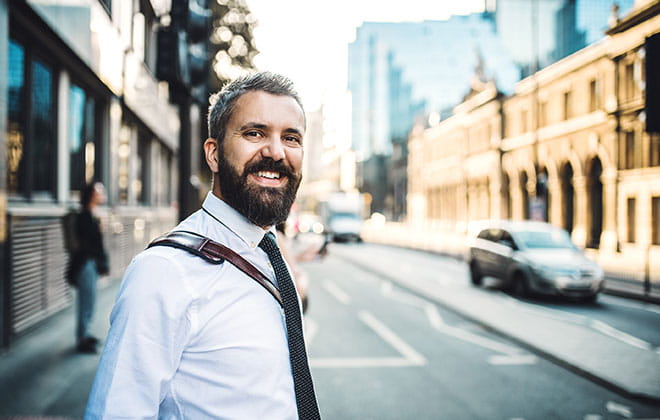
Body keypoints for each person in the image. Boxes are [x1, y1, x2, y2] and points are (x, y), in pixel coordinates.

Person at [85, 72, 321, 419]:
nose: (275, 151)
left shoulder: (269, 251)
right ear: (213, 154)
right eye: (254, 133)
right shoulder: (165, 272)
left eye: (291, 138)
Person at [69, 181, 108, 353]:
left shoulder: (91, 215)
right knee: (86, 302)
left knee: (89, 301)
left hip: (89, 263)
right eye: (100, 191)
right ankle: (82, 338)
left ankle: (85, 334)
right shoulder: (85, 216)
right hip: (85, 264)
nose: (102, 194)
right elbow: (88, 244)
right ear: (92, 195)